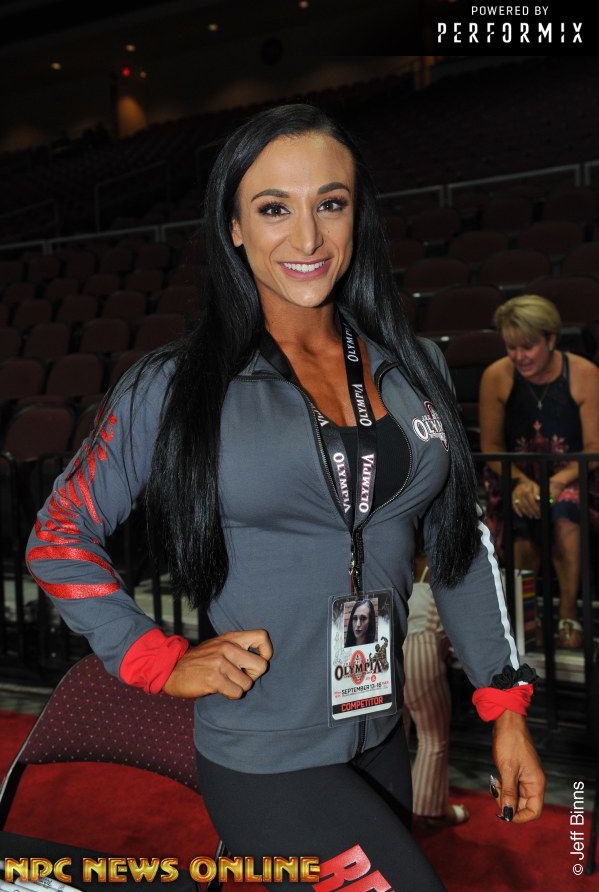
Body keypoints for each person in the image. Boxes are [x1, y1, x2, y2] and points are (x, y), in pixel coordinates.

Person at [27, 104, 545, 891]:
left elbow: (457, 547)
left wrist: (503, 702)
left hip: (379, 734)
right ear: (234, 226)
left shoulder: (416, 367)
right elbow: (59, 534)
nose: (307, 238)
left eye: (329, 203)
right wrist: (152, 657)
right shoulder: (174, 384)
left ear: (356, 215)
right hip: (266, 755)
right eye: (274, 208)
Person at [479, 295, 599, 650]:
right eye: (511, 347)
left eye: (528, 347)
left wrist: (555, 482)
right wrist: (521, 483)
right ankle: (524, 618)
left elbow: (594, 448)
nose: (519, 357)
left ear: (550, 339)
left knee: (564, 510)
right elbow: (491, 448)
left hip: (573, 476)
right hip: (517, 477)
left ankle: (567, 613)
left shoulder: (584, 374)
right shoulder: (496, 376)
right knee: (520, 513)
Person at [403, 552, 469, 829]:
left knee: (395, 736)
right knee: (433, 737)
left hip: (390, 651)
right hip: (423, 653)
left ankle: (395, 805)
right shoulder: (442, 566)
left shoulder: (400, 562)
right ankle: (429, 810)